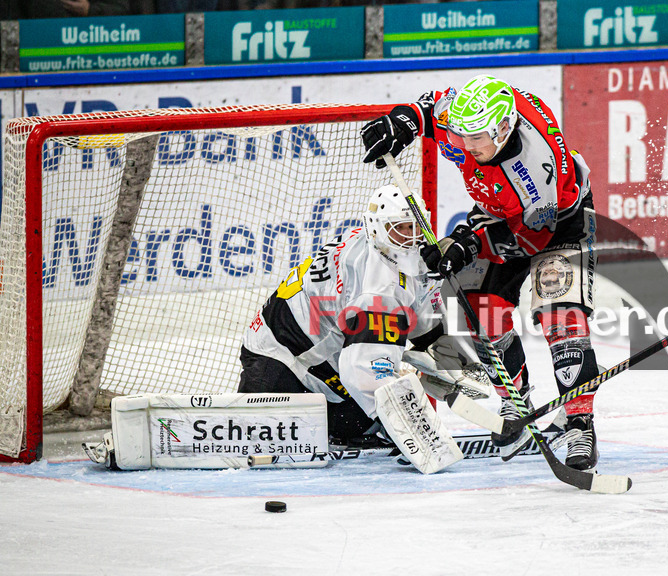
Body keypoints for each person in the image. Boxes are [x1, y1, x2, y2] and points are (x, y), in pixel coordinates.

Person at [360, 75, 603, 471]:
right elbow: (430, 106)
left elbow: (530, 238)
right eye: (461, 135)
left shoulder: (535, 171)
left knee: (561, 314)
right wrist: (401, 121)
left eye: (475, 139)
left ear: (504, 130)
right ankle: (516, 401)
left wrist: (467, 243)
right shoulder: (471, 118)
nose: (465, 146)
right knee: (477, 306)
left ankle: (579, 423)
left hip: (558, 220)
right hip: (498, 212)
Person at [238, 184, 486, 449]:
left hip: (326, 359)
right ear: (378, 227)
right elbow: (363, 370)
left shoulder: (388, 251)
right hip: (280, 354)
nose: (411, 237)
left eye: (414, 226)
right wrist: (408, 429)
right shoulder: (377, 287)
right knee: (255, 439)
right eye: (400, 228)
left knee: (360, 429)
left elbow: (421, 319)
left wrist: (451, 362)